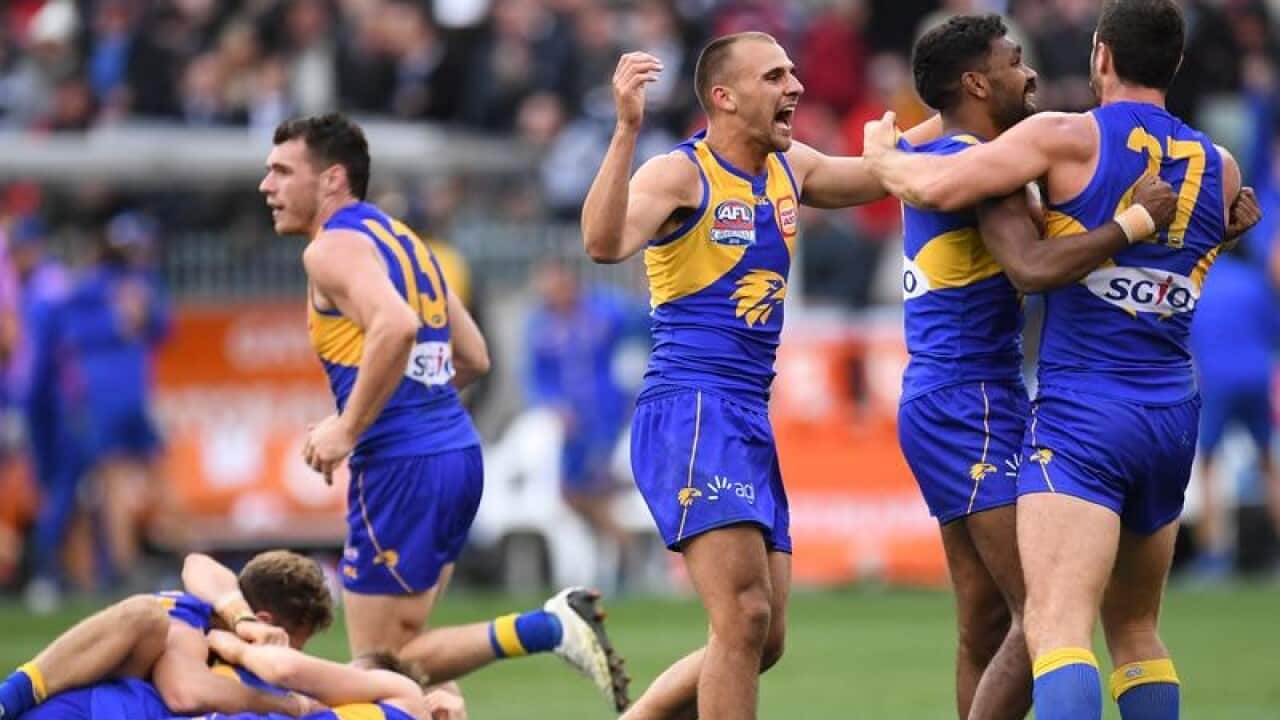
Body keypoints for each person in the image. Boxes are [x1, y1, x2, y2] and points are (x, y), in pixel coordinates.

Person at [862, 1, 1262, 717]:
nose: (1033, 71)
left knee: (1052, 627)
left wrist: (884, 154)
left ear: (1101, 56)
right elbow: (1167, 273)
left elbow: (940, 188)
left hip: (1086, 416)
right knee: (1137, 631)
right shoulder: (1220, 167)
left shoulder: (1065, 138)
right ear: (1173, 64)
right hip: (1172, 417)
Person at [580, 34, 942, 720]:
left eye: (794, 72)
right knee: (741, 617)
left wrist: (960, 111)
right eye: (775, 75)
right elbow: (602, 243)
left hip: (745, 415)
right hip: (691, 409)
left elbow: (874, 174)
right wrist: (627, 129)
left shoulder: (791, 168)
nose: (796, 86)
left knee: (763, 635)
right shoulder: (679, 173)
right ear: (724, 96)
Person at [258, 113, 627, 710]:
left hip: (402, 466)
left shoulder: (330, 252)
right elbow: (473, 355)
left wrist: (349, 427)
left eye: (280, 171)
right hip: (453, 451)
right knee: (412, 658)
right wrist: (417, 407)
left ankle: (551, 626)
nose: (265, 186)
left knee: (379, 666)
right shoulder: (405, 241)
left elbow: (396, 326)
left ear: (330, 180)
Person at [895, 15, 1179, 720]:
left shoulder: (943, 153)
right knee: (1046, 615)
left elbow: (904, 157)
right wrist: (1133, 226)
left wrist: (882, 151)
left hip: (944, 394)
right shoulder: (978, 170)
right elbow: (1032, 265)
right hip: (973, 399)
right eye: (1015, 61)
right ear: (977, 81)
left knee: (984, 626)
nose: (1030, 75)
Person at [0, 550, 336, 720]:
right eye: (295, 645)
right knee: (146, 617)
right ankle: (8, 698)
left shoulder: (216, 618)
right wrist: (288, 705)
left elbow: (198, 564)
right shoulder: (186, 626)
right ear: (267, 621)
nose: (293, 660)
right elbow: (185, 694)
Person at [59, 211, 173, 588]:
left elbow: (164, 329)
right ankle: (125, 568)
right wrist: (118, 320)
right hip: (104, 397)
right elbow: (71, 333)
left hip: (128, 396)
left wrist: (142, 314)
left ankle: (167, 558)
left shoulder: (140, 283)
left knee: (151, 479)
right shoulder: (92, 286)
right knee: (116, 482)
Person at [525, 259, 644, 578]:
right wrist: (553, 405)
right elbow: (536, 380)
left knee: (595, 487)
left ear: (571, 283)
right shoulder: (541, 327)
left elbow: (642, 327)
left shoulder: (604, 311)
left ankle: (622, 554)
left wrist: (635, 383)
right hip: (572, 425)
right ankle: (619, 548)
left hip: (606, 416)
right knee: (575, 493)